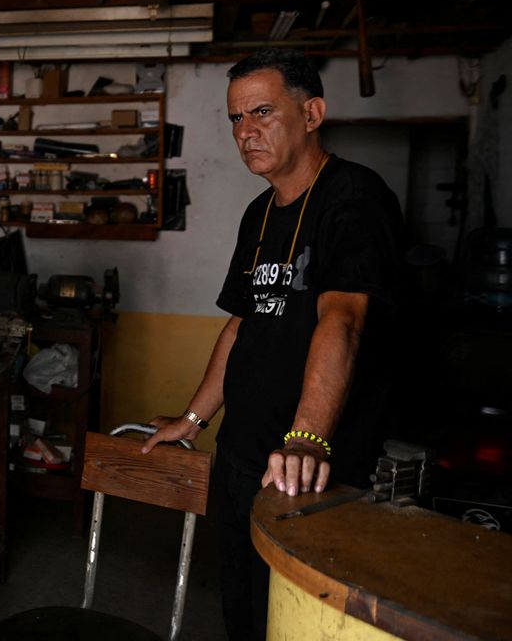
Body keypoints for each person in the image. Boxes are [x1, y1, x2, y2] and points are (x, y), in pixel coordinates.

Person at [142, 49, 402, 641]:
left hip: (310, 470)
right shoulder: (258, 213)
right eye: (235, 118)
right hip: (242, 458)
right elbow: (241, 325)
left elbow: (343, 320)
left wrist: (307, 439)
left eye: (262, 111)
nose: (245, 131)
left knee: (300, 620)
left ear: (312, 113)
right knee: (244, 611)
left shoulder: (355, 198)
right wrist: (192, 417)